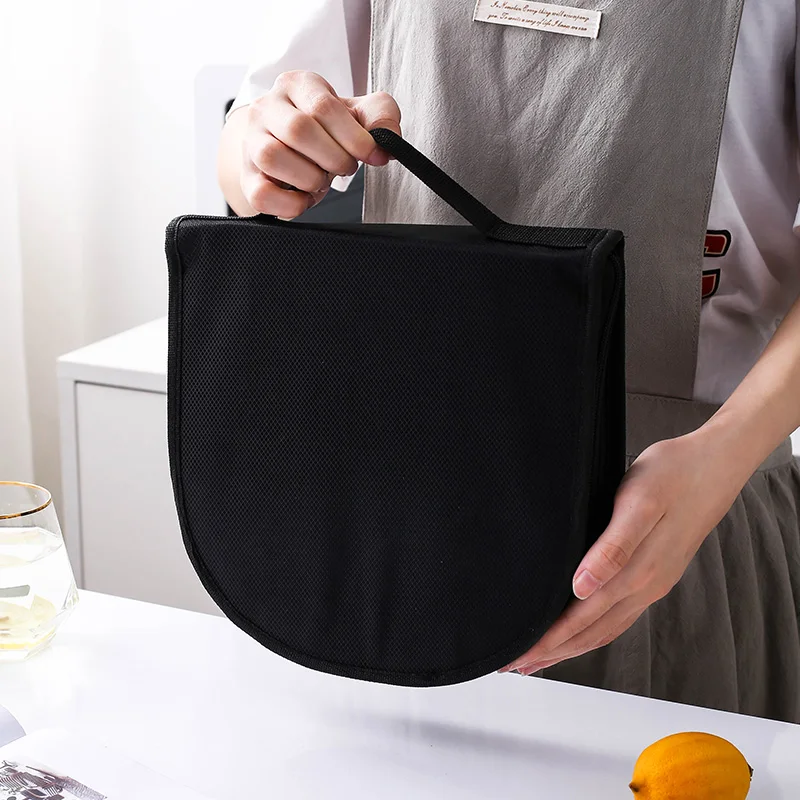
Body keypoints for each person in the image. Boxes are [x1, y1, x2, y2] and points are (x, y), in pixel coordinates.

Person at [218, 0, 800, 723]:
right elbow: (252, 146)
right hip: (393, 513)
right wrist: (264, 148)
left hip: (674, 524)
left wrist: (722, 455)